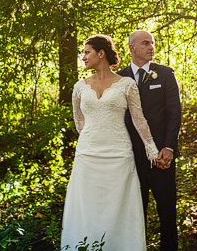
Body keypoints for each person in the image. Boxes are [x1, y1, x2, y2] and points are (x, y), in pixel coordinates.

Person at [61, 34, 159, 251]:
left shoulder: (126, 84)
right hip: (88, 155)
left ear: (101, 53)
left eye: (87, 52)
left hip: (119, 155)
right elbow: (80, 122)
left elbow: (138, 119)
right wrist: (92, 139)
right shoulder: (79, 87)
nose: (83, 57)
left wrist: (151, 149)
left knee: (118, 207)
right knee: (87, 207)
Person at [118, 30, 182, 251]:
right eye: (145, 43)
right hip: (130, 158)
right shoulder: (118, 77)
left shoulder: (165, 74)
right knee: (135, 214)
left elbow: (175, 112)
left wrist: (169, 147)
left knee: (167, 211)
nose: (151, 47)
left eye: (153, 44)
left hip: (161, 156)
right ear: (132, 48)